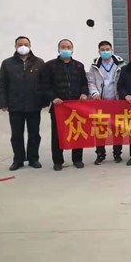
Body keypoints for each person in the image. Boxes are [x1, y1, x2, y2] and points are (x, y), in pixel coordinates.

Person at [0, 36, 46, 171]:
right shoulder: (7, 63)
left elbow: (44, 83)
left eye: (25, 44)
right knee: (16, 135)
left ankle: (33, 158)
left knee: (34, 134)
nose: (23, 47)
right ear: (15, 47)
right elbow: (2, 84)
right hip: (15, 105)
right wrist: (3, 102)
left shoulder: (39, 63)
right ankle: (18, 160)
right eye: (20, 44)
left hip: (34, 104)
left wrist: (44, 100)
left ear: (30, 46)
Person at [42, 39, 89, 171]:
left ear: (72, 49)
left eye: (68, 47)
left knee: (77, 132)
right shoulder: (50, 65)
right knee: (58, 134)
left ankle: (77, 159)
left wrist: (84, 94)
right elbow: (45, 85)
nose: (66, 49)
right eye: (63, 47)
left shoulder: (78, 66)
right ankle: (58, 161)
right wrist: (53, 98)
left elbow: (84, 84)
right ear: (58, 49)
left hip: (76, 106)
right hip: (59, 107)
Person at [88, 41, 125, 165]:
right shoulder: (94, 66)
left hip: (116, 101)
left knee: (117, 129)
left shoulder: (120, 64)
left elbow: (124, 80)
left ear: (112, 50)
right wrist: (94, 93)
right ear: (99, 52)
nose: (105, 52)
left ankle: (117, 153)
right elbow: (91, 82)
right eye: (102, 50)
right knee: (100, 130)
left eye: (107, 49)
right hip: (101, 102)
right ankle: (100, 154)